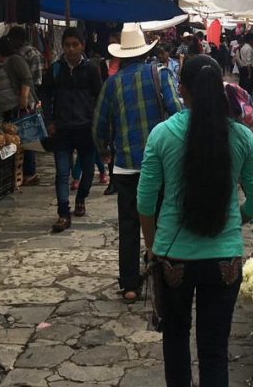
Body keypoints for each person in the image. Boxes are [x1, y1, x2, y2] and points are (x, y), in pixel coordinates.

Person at [138, 55, 253, 387]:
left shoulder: (162, 134)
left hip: (172, 258)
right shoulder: (242, 137)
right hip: (224, 260)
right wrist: (235, 221)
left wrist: (152, 246)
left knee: (176, 341)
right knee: (214, 349)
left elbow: (145, 200)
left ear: (182, 90)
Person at [92, 23, 181, 302]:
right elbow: (177, 111)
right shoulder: (161, 74)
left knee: (129, 223)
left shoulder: (112, 83)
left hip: (126, 166)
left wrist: (104, 149)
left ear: (121, 55)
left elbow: (99, 124)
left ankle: (130, 284)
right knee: (164, 219)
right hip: (161, 164)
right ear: (145, 52)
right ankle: (166, 273)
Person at [41, 28, 103, 234]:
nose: (71, 49)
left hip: (86, 129)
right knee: (62, 172)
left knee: (87, 171)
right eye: (67, 45)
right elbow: (46, 97)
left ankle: (81, 198)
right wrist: (49, 121)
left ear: (82, 46)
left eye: (75, 45)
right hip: (62, 129)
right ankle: (63, 213)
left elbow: (99, 98)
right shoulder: (56, 70)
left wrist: (98, 124)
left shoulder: (91, 70)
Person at [7, 26, 44, 187]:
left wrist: (24, 98)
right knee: (27, 135)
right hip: (32, 98)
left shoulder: (23, 54)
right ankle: (28, 172)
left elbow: (30, 80)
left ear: (17, 39)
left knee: (25, 136)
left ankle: (29, 172)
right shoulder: (34, 51)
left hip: (26, 100)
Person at [0, 37, 34, 124]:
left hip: (18, 108)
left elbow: (26, 78)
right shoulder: (5, 65)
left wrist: (23, 99)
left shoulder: (15, 60)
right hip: (8, 111)